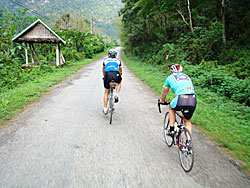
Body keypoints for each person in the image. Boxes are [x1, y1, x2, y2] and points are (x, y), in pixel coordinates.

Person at [161, 64, 196, 142]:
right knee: (187, 120)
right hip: (193, 98)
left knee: (171, 107)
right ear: (182, 71)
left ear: (172, 71)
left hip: (181, 97)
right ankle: (188, 143)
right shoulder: (187, 77)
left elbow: (164, 93)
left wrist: (163, 101)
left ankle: (172, 129)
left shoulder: (170, 78)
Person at [102, 49, 122, 115]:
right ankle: (116, 94)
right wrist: (119, 76)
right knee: (119, 82)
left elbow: (103, 70)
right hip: (116, 74)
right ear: (115, 55)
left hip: (108, 75)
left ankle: (105, 109)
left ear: (108, 55)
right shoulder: (118, 61)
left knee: (106, 92)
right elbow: (120, 70)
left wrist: (104, 77)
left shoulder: (105, 60)